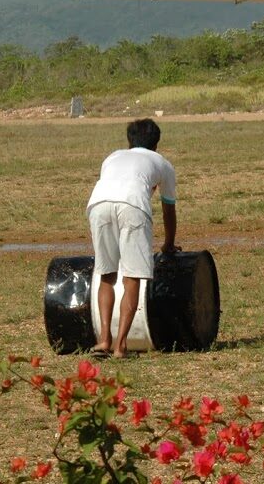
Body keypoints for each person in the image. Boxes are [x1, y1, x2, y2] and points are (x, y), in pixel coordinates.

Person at [87, 118, 179, 358]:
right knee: (132, 277)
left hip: (98, 204)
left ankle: (104, 340)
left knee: (106, 274)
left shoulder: (112, 157)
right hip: (133, 206)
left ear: (129, 142)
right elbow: (169, 209)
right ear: (156, 144)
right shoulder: (162, 163)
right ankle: (121, 346)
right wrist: (168, 244)